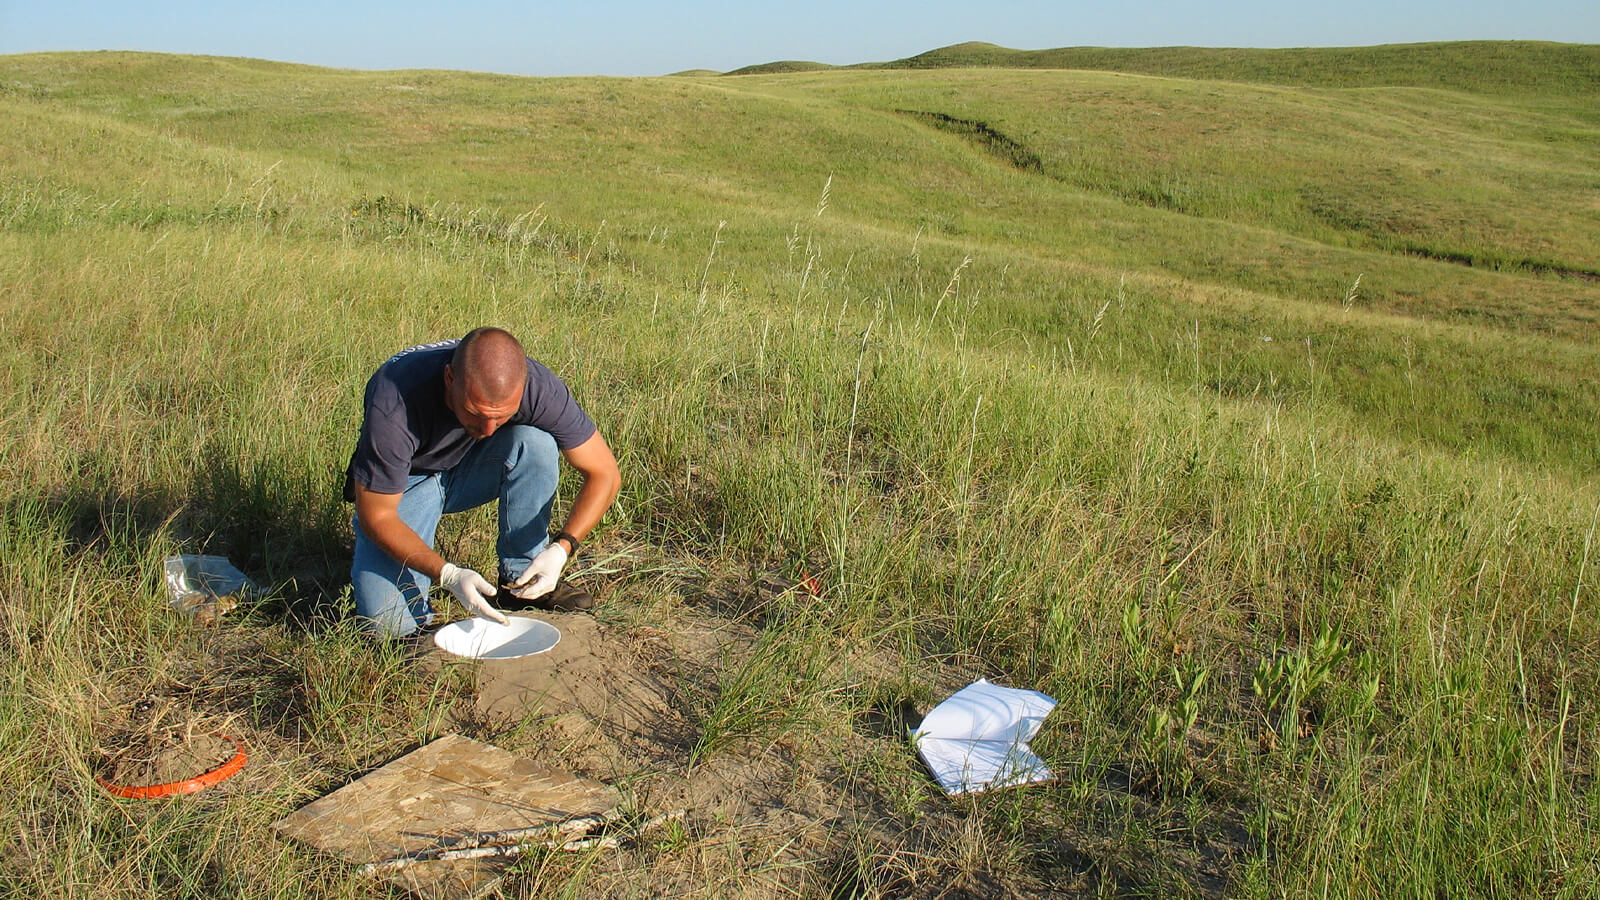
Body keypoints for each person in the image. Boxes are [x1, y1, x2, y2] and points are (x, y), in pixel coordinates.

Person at [343, 327, 620, 637]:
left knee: (535, 443)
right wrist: (447, 574)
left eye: (502, 417)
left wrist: (562, 548)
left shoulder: (538, 387)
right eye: (475, 412)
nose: (489, 429)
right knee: (389, 627)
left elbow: (604, 472)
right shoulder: (395, 398)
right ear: (450, 378)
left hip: (472, 466)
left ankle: (522, 583)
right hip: (408, 483)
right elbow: (377, 515)